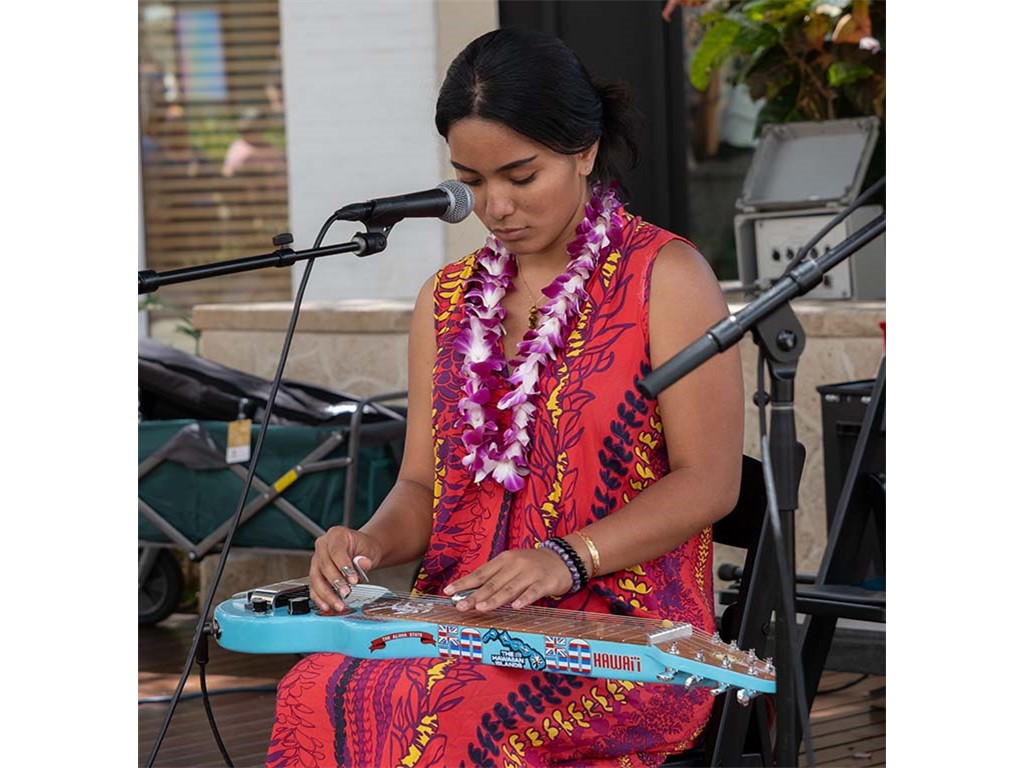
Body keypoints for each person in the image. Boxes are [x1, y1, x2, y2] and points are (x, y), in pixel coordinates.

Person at [267, 27, 744, 768]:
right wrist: (368, 544)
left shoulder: (666, 278)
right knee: (312, 692)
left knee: (445, 720)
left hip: (624, 638)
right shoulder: (446, 299)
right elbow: (422, 485)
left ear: (584, 150)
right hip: (460, 619)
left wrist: (567, 558)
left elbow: (710, 480)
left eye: (521, 176)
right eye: (471, 181)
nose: (496, 206)